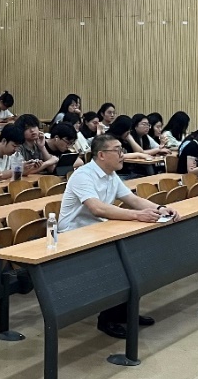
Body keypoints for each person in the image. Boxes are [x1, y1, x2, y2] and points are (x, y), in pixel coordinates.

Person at [57, 133, 180, 338]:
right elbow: (97, 208)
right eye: (117, 151)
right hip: (74, 236)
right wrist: (137, 216)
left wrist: (160, 208)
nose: (122, 154)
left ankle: (124, 313)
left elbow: (132, 199)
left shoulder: (111, 175)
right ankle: (107, 319)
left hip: (98, 231)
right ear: (101, 155)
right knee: (118, 265)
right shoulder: (83, 175)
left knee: (135, 257)